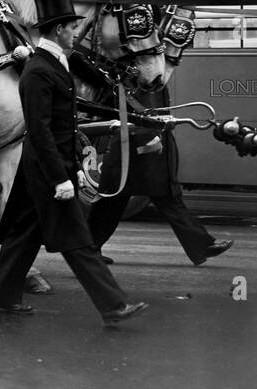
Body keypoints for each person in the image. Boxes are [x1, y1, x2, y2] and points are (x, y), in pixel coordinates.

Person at [0, 0, 148, 325]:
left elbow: (61, 128)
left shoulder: (54, 63)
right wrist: (60, 177)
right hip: (47, 171)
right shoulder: (38, 71)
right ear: (59, 29)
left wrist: (72, 169)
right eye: (73, 26)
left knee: (24, 235)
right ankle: (112, 305)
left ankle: (1, 299)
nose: (76, 32)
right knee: (78, 240)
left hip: (47, 168)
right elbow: (41, 131)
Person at [89, 86, 234, 266]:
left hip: (147, 152)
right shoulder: (137, 80)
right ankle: (88, 250)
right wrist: (150, 137)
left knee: (120, 203)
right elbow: (128, 112)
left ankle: (89, 249)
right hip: (138, 150)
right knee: (119, 203)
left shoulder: (148, 79)